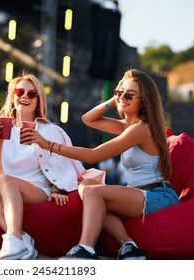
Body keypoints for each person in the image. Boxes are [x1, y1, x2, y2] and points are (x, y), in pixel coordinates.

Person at [29, 69, 181, 260]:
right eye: (120, 92)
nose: (123, 97)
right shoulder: (128, 126)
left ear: (144, 101)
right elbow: (88, 119)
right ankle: (129, 246)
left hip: (158, 196)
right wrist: (113, 100)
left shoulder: (142, 129)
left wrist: (47, 144)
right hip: (139, 193)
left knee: (93, 192)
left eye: (130, 95)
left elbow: (93, 156)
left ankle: (86, 248)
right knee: (86, 185)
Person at [0, 72, 104, 260]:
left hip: (36, 190)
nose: (24, 96)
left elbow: (64, 168)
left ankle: (14, 238)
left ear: (39, 101)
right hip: (5, 188)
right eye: (20, 91)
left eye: (31, 94)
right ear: (13, 96)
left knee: (8, 180)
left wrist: (57, 189)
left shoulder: (51, 131)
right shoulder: (1, 127)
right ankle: (20, 238)